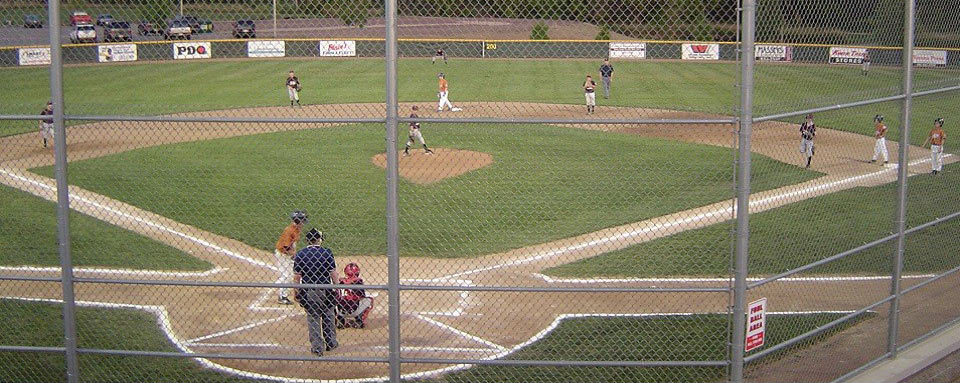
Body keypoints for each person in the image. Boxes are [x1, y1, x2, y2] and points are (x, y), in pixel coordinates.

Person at [293, 228, 339, 356]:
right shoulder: (327, 253)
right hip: (326, 289)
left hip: (309, 291)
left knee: (313, 318)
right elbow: (333, 273)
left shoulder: (301, 254)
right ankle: (331, 343)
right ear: (319, 239)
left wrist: (296, 292)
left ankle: (317, 347)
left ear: (307, 240)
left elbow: (297, 277)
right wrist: (337, 288)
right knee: (328, 315)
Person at [274, 210, 307, 305]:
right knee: (287, 275)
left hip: (288, 254)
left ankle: (298, 294)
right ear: (299, 221)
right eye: (302, 221)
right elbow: (286, 247)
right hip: (283, 255)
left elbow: (292, 245)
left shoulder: (296, 229)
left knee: (295, 273)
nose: (303, 223)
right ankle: (282, 296)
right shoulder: (290, 231)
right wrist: (295, 255)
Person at [336, 262, 374, 329]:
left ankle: (340, 320)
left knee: (335, 298)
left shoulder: (340, 281)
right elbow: (362, 296)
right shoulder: (358, 281)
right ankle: (359, 320)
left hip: (340, 310)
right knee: (370, 299)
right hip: (354, 310)